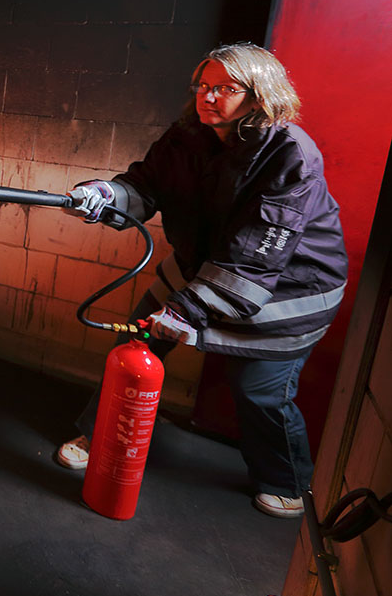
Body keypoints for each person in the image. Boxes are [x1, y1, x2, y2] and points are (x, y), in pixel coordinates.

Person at [54, 42, 347, 519]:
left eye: (226, 89)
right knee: (133, 351)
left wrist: (183, 311)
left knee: (261, 393)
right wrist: (105, 193)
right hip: (201, 267)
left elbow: (255, 254)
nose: (209, 98)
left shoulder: (291, 154)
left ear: (259, 96)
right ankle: (104, 434)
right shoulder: (186, 135)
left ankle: (286, 481)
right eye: (204, 86)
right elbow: (146, 184)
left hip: (288, 291)